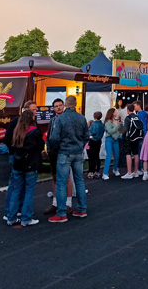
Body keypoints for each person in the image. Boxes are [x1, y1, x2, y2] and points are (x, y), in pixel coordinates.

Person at [48, 95, 89, 223]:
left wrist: (56, 148)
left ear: (65, 104)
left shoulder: (61, 119)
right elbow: (87, 136)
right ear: (75, 104)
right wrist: (80, 145)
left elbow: (54, 138)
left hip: (64, 152)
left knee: (61, 182)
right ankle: (82, 209)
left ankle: (61, 213)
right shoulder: (82, 118)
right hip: (77, 152)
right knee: (79, 181)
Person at [6, 109, 44, 226]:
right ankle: (26, 218)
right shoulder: (35, 132)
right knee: (29, 192)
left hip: (18, 164)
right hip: (30, 164)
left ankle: (11, 217)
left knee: (16, 191)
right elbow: (41, 146)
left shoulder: (17, 132)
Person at [3, 100, 37, 222]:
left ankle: (16, 211)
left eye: (36, 109)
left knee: (18, 186)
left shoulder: (29, 124)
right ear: (26, 109)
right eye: (33, 109)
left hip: (19, 157)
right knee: (16, 186)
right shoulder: (16, 122)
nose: (36, 112)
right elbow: (7, 139)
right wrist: (15, 150)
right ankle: (10, 211)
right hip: (19, 157)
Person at [44, 98, 74, 215]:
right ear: (53, 108)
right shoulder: (52, 120)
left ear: (64, 106)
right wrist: (47, 147)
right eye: (56, 106)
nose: (58, 108)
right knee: (55, 177)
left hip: (64, 151)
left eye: (60, 105)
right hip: (53, 152)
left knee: (66, 177)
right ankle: (55, 203)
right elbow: (49, 135)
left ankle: (68, 203)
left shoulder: (67, 119)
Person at [120, 104, 143, 179]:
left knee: (128, 154)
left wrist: (123, 136)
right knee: (136, 154)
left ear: (128, 110)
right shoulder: (136, 117)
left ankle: (129, 172)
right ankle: (135, 171)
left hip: (129, 138)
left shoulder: (128, 118)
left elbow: (125, 129)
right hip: (136, 138)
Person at [102, 108, 121, 180]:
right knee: (109, 156)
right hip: (109, 139)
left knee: (117, 155)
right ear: (112, 113)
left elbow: (116, 129)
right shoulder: (107, 122)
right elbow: (110, 131)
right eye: (115, 111)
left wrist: (119, 125)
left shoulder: (115, 121)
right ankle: (105, 173)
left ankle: (115, 169)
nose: (116, 113)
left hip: (115, 139)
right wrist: (116, 126)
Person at [87, 111, 104, 179]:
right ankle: (97, 171)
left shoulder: (93, 124)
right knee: (97, 156)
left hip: (92, 140)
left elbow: (91, 132)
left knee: (91, 157)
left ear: (94, 117)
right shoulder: (102, 124)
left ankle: (91, 171)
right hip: (99, 141)